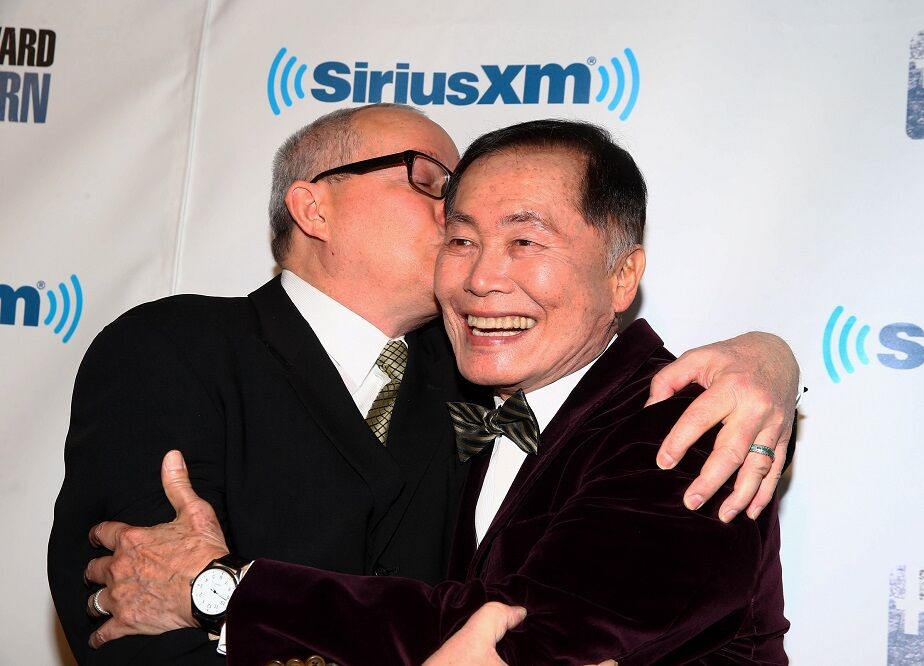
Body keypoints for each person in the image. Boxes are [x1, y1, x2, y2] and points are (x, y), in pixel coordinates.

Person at [53, 105, 798, 663]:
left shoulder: (693, 423)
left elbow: (532, 633)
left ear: (624, 273)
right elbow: (123, 599)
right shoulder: (177, 350)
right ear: (313, 206)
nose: (476, 269)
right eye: (446, 205)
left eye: (523, 240)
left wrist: (222, 592)